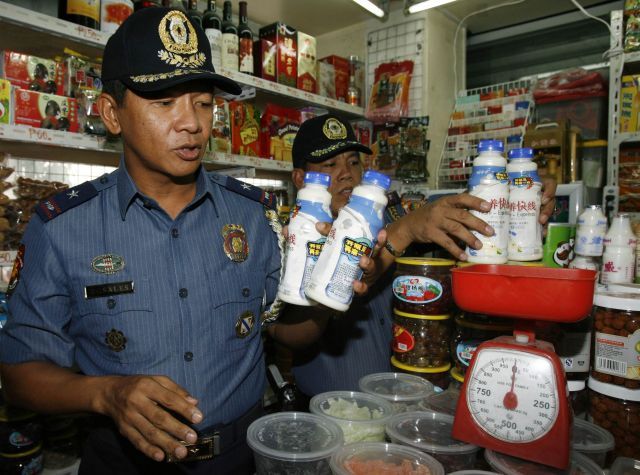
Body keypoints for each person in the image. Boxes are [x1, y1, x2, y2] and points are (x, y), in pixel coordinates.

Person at [0, 8, 371, 475]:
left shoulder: (255, 216)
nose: (192, 123)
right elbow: (19, 375)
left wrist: (324, 297)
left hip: (239, 459)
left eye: (202, 102)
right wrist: (106, 393)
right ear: (112, 113)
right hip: (122, 464)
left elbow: (284, 332)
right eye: (163, 101)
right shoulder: (61, 227)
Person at [281, 113, 557, 397]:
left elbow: (449, 210)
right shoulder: (290, 238)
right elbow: (284, 335)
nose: (347, 173)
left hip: (405, 403)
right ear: (301, 179)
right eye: (330, 164)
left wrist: (523, 187)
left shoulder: (395, 215)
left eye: (353, 161)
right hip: (334, 412)